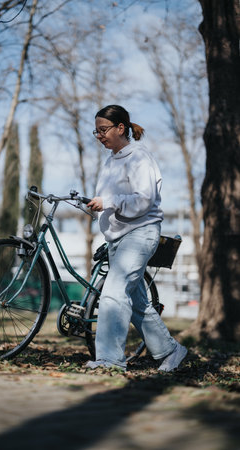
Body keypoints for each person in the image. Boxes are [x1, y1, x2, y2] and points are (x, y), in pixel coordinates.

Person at [86, 104, 187, 372]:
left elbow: (144, 200)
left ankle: (109, 360)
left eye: (103, 130)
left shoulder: (140, 157)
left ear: (121, 128)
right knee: (137, 304)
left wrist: (108, 201)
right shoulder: (111, 161)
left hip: (140, 233)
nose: (99, 136)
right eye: (96, 132)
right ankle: (171, 350)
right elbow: (114, 201)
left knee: (114, 293)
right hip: (118, 238)